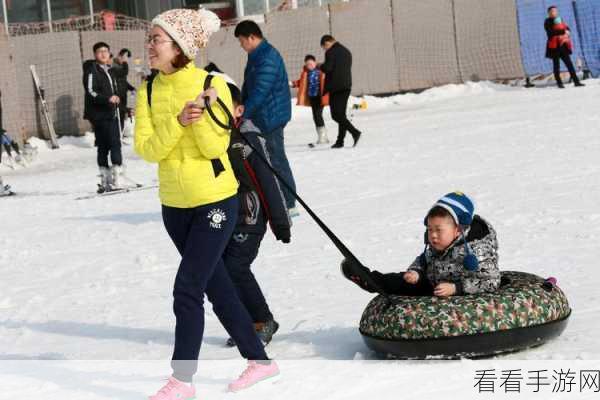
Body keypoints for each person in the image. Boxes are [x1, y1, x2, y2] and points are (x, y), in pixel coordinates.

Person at [134, 9, 279, 400]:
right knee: (216, 286)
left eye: (156, 40)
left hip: (215, 201)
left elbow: (216, 148)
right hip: (174, 205)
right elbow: (147, 149)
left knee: (188, 288)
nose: (149, 46)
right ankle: (261, 362)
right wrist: (178, 121)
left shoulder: (212, 83)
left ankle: (182, 380)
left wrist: (199, 118)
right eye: (150, 38)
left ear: (180, 47)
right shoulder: (147, 90)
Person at [222, 83, 291, 347]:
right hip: (226, 217)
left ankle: (263, 320)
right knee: (224, 271)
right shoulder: (214, 137)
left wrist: (280, 222)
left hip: (250, 216)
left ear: (239, 110)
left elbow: (269, 180)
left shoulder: (249, 139)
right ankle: (248, 322)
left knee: (235, 267)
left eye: (224, 106)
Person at [342, 192, 500, 297]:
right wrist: (416, 272)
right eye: (430, 229)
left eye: (439, 230)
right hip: (432, 284)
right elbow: (424, 260)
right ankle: (367, 279)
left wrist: (456, 288)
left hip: (458, 295)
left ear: (458, 230)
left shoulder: (477, 251)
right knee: (398, 281)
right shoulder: (437, 245)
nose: (433, 235)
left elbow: (490, 281)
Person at [234, 20, 299, 217]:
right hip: (264, 115)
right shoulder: (256, 55)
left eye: (242, 41)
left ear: (252, 37)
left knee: (276, 159)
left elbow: (261, 90)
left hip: (271, 116)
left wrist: (243, 111)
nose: (241, 45)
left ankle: (289, 203)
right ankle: (277, 199)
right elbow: (250, 86)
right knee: (269, 159)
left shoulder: (268, 56)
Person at [83, 41, 123, 191]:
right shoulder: (91, 70)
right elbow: (91, 91)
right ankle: (110, 177)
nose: (104, 54)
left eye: (106, 51)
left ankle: (114, 176)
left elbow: (115, 89)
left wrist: (117, 98)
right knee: (108, 145)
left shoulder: (109, 70)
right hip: (99, 114)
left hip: (111, 112)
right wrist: (107, 99)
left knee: (111, 144)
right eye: (100, 51)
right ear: (95, 54)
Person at [319, 35, 362, 148]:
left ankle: (355, 132)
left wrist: (320, 66)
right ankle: (340, 141)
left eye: (324, 47)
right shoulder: (346, 51)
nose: (325, 49)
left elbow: (328, 68)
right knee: (341, 115)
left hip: (335, 87)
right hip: (346, 86)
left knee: (336, 115)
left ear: (328, 42)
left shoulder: (330, 52)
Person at [291, 54, 330, 146]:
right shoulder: (305, 73)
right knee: (316, 116)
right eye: (308, 64)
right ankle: (322, 136)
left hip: (320, 97)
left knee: (318, 115)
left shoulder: (321, 71)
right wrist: (292, 84)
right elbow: (301, 82)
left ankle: (323, 137)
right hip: (312, 98)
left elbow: (329, 79)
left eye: (311, 64)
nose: (310, 66)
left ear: (315, 63)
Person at [545, 6, 584, 89]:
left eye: (555, 11)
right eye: (552, 11)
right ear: (549, 13)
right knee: (556, 66)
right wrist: (563, 31)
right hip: (554, 47)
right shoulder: (547, 21)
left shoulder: (560, 19)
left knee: (569, 64)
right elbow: (550, 33)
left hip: (563, 46)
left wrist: (567, 32)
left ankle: (576, 81)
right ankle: (559, 83)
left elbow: (566, 28)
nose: (554, 13)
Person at [111, 48, 136, 131]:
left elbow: (123, 81)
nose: (124, 59)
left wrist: (131, 88)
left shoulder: (121, 67)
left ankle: (120, 135)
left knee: (121, 115)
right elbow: (124, 73)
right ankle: (116, 135)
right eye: (122, 57)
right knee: (117, 115)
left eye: (125, 58)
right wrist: (125, 62)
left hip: (123, 95)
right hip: (116, 95)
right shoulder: (113, 67)